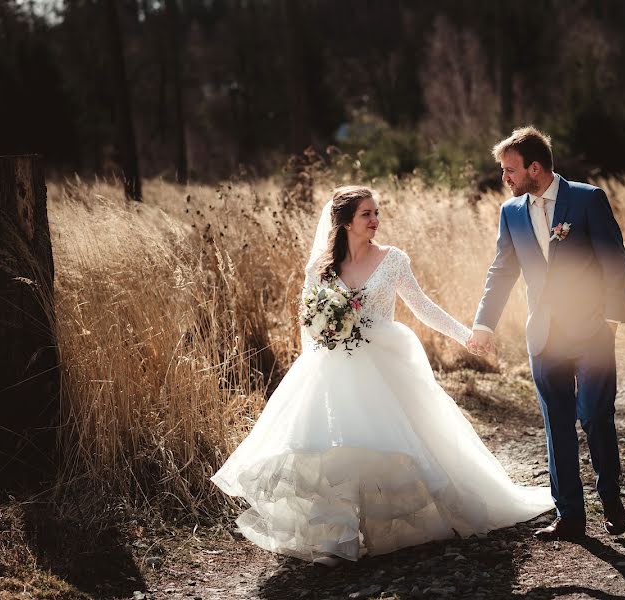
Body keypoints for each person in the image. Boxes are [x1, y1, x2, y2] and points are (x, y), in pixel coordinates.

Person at [212, 185, 553, 566]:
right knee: (335, 448)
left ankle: (392, 528)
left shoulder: (393, 260)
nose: (375, 220)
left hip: (386, 364)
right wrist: (327, 335)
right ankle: (336, 538)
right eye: (366, 214)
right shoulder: (319, 269)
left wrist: (466, 336)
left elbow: (422, 306)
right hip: (334, 365)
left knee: (397, 439)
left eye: (377, 213)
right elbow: (308, 322)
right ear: (344, 222)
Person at [468, 126, 625, 541]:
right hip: (543, 336)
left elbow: (614, 258)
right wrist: (483, 324)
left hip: (592, 329)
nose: (504, 178)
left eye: (509, 170)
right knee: (556, 423)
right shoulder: (512, 213)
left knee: (595, 415)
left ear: (534, 168)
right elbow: (502, 270)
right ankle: (570, 516)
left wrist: (611, 318)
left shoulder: (587, 199)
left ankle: (609, 496)